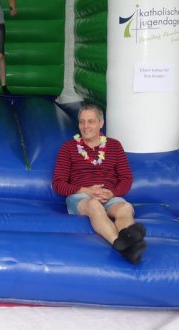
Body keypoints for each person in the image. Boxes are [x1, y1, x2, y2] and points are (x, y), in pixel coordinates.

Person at [52, 104, 147, 264]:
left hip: (108, 196)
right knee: (94, 205)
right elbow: (58, 184)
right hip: (81, 197)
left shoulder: (114, 146)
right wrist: (86, 191)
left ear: (101, 123)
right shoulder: (68, 148)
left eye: (91, 121)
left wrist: (112, 193)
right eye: (82, 122)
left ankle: (129, 241)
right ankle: (123, 246)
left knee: (125, 207)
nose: (85, 126)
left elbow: (126, 179)